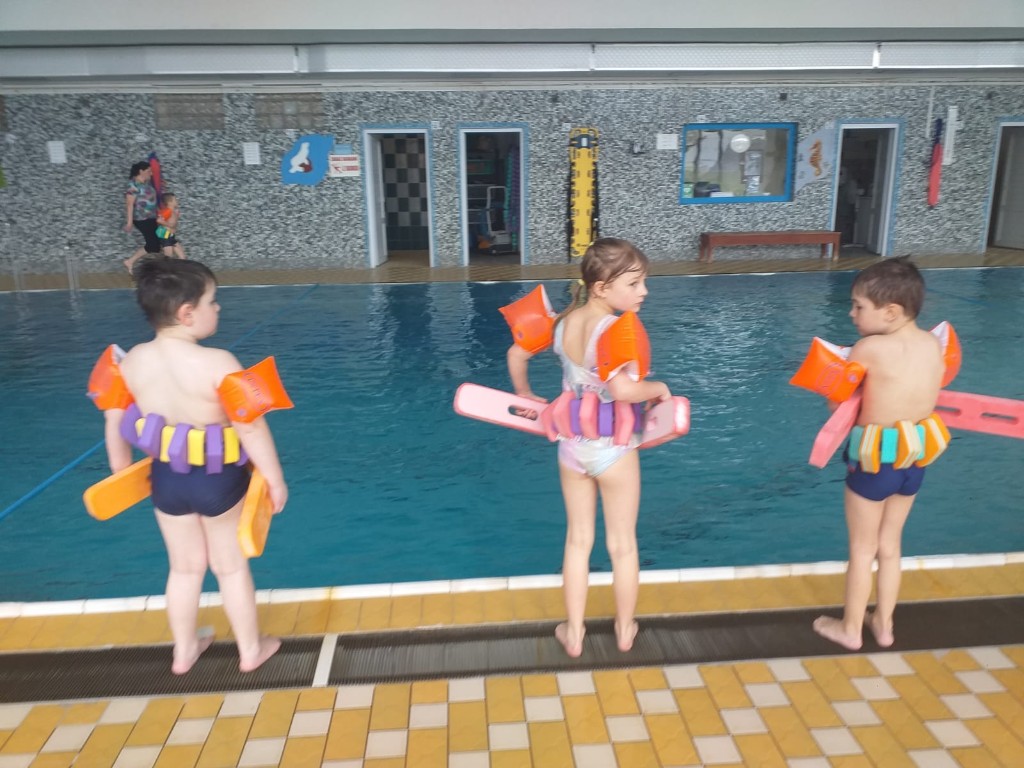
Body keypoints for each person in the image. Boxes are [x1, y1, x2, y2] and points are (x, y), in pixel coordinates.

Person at [98, 257, 288, 674]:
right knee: (230, 567)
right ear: (187, 313)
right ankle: (250, 650)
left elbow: (114, 420)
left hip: (166, 479)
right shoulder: (219, 362)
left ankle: (184, 651)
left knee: (184, 569)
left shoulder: (131, 362)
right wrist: (275, 479)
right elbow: (250, 427)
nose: (217, 308)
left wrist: (120, 471)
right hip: (218, 480)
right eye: (212, 301)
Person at [506, 238, 672, 657]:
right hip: (613, 449)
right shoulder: (613, 329)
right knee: (622, 545)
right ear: (601, 288)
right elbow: (622, 391)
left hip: (572, 448)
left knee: (578, 541)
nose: (644, 291)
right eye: (633, 284)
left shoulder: (562, 323)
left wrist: (525, 393)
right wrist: (659, 388)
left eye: (643, 282)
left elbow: (516, 354)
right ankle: (624, 629)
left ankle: (575, 632)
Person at [812, 257, 945, 651]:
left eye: (858, 306)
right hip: (913, 462)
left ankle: (851, 629)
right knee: (890, 546)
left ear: (890, 311)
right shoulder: (932, 344)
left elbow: (837, 405)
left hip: (874, 464)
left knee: (862, 548)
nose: (851, 314)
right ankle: (884, 625)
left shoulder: (868, 348)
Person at [123, 161, 161, 273]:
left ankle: (131, 262)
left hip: (152, 218)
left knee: (158, 242)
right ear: (141, 171)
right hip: (142, 219)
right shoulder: (133, 185)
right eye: (149, 171)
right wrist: (129, 222)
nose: (151, 174)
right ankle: (131, 261)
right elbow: (129, 204)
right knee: (153, 244)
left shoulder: (146, 183)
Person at [156, 193, 186, 259]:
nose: (177, 201)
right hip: (165, 235)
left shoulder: (173, 211)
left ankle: (180, 265)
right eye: (175, 200)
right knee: (168, 258)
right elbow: (159, 220)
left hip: (170, 236)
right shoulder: (167, 211)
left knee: (183, 257)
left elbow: (173, 221)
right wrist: (170, 225)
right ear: (169, 202)